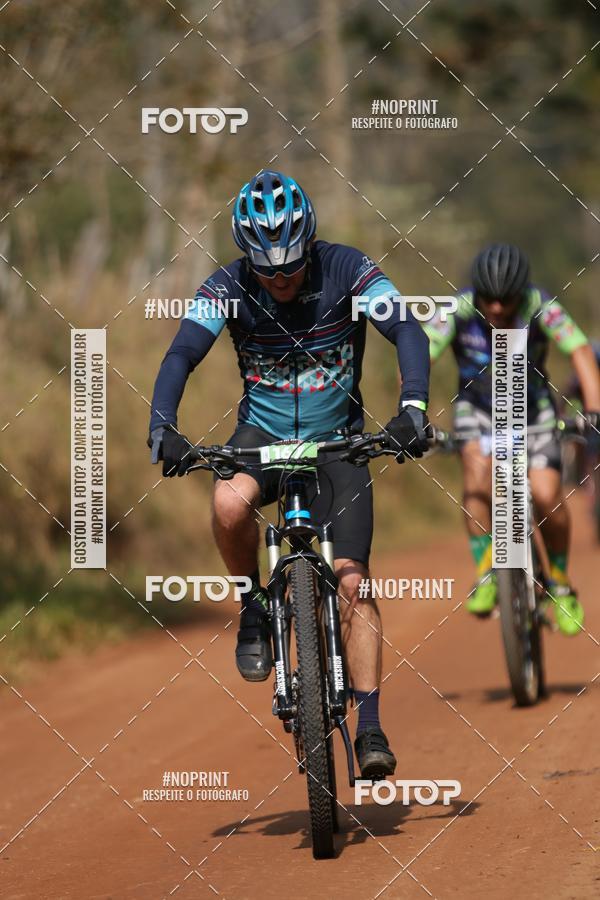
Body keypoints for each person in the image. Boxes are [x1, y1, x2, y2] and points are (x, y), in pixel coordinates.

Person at [148, 170, 431, 777]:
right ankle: (253, 605)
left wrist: (412, 409)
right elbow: (181, 353)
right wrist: (163, 426)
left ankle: (371, 726)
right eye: (267, 270)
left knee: (353, 582)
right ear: (247, 257)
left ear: (311, 243)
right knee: (228, 505)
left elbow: (406, 327)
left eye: (292, 266)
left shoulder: (350, 270)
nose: (281, 280)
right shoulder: (224, 287)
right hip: (261, 438)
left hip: (338, 444)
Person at [424, 243, 600, 635]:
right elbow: (421, 354)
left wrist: (592, 410)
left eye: (507, 301)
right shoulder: (458, 310)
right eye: (489, 300)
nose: (498, 309)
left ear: (521, 293)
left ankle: (559, 582)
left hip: (533, 411)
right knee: (475, 481)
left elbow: (580, 351)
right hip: (478, 410)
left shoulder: (541, 305)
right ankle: (487, 574)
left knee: (545, 494)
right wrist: (412, 409)